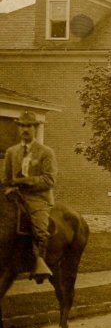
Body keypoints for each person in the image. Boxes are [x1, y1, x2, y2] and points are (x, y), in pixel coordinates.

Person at [2, 111, 57, 283]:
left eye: (29, 126)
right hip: (15, 196)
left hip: (37, 198)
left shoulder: (45, 152)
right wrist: (9, 187)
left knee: (40, 229)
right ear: (19, 129)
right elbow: (6, 179)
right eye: (22, 126)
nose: (25, 130)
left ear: (35, 128)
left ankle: (39, 264)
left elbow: (50, 179)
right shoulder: (11, 152)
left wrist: (26, 181)